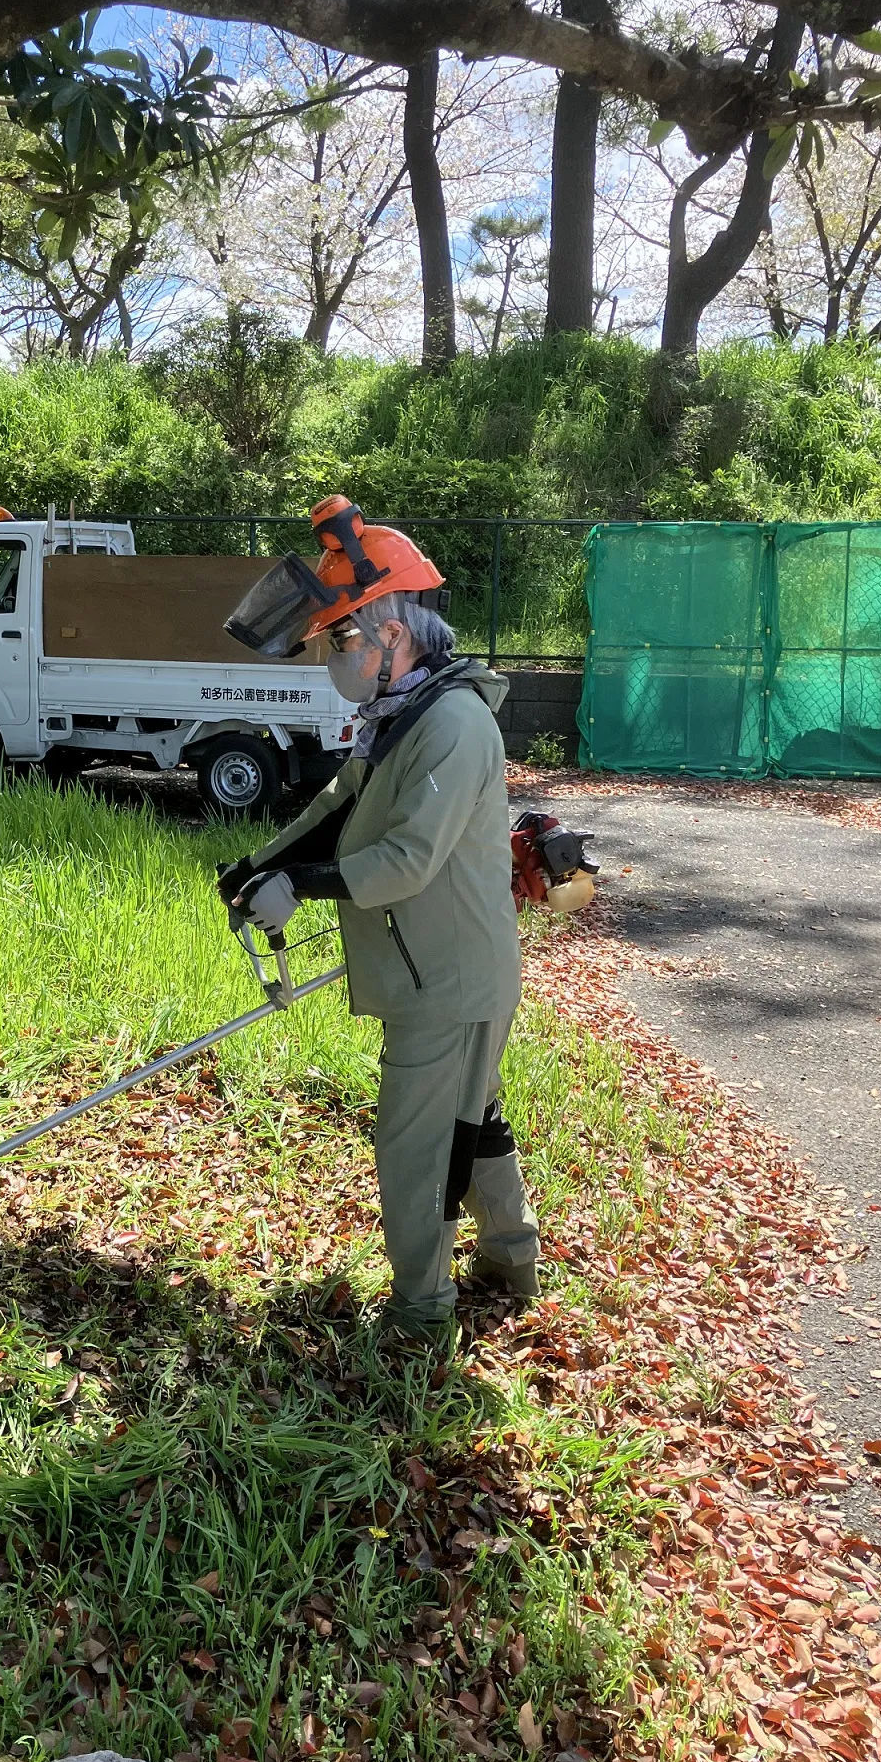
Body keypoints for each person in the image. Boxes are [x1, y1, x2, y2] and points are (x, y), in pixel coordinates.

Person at [218, 496, 538, 1346]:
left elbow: (405, 861)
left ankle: (421, 1315)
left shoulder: (456, 724)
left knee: (417, 1148)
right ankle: (513, 1261)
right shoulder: (402, 715)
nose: (331, 657)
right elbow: (339, 801)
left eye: (340, 639)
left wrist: (308, 885)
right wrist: (266, 863)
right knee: (475, 1121)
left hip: (452, 978)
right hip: (437, 968)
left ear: (391, 633)